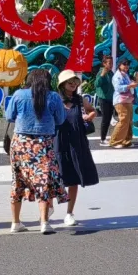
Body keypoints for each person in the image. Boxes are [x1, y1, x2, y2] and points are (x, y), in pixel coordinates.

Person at [6, 68, 68, 234]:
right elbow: (61, 119)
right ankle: (44, 222)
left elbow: (9, 116)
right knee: (43, 181)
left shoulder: (19, 94)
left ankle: (15, 223)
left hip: (20, 143)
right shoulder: (53, 97)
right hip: (43, 143)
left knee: (18, 180)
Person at [55, 69, 99, 226]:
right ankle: (46, 210)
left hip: (77, 142)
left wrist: (89, 116)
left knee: (73, 178)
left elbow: (93, 111)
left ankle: (69, 213)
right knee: (55, 178)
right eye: (69, 82)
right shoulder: (55, 100)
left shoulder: (80, 100)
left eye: (75, 81)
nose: (73, 84)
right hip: (58, 143)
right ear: (62, 84)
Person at [110, 59, 138, 148]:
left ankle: (126, 141)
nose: (126, 66)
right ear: (119, 65)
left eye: (128, 64)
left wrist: (135, 81)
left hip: (128, 100)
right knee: (123, 120)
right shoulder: (117, 76)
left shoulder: (125, 75)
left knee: (129, 121)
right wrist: (130, 86)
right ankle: (114, 141)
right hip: (121, 101)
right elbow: (118, 88)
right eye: (124, 64)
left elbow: (130, 85)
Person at [95, 55, 115, 147]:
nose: (111, 65)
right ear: (104, 63)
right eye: (109, 63)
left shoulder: (111, 73)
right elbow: (97, 84)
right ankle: (102, 139)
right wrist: (102, 75)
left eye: (112, 63)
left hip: (111, 99)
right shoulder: (101, 72)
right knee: (105, 119)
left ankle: (106, 137)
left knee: (109, 118)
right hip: (103, 99)